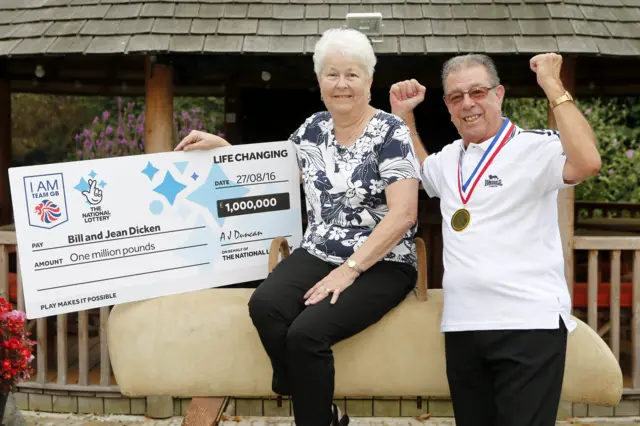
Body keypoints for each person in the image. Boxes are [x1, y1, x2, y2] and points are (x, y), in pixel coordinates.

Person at [175, 28, 421, 426]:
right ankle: (319, 407)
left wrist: (350, 270)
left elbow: (404, 213)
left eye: (352, 74)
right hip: (319, 249)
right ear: (320, 81)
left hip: (383, 260)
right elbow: (272, 171)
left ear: (369, 81)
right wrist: (221, 146)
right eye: (332, 74)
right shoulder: (313, 129)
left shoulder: (391, 133)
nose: (341, 84)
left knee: (307, 335)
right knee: (265, 306)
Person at [388, 53, 601, 426]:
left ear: (499, 94)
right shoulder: (450, 158)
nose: (468, 103)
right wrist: (404, 116)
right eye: (456, 97)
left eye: (478, 91)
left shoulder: (536, 146)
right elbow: (423, 173)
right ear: (448, 108)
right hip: (463, 326)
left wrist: (553, 85)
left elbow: (587, 163)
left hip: (528, 324)